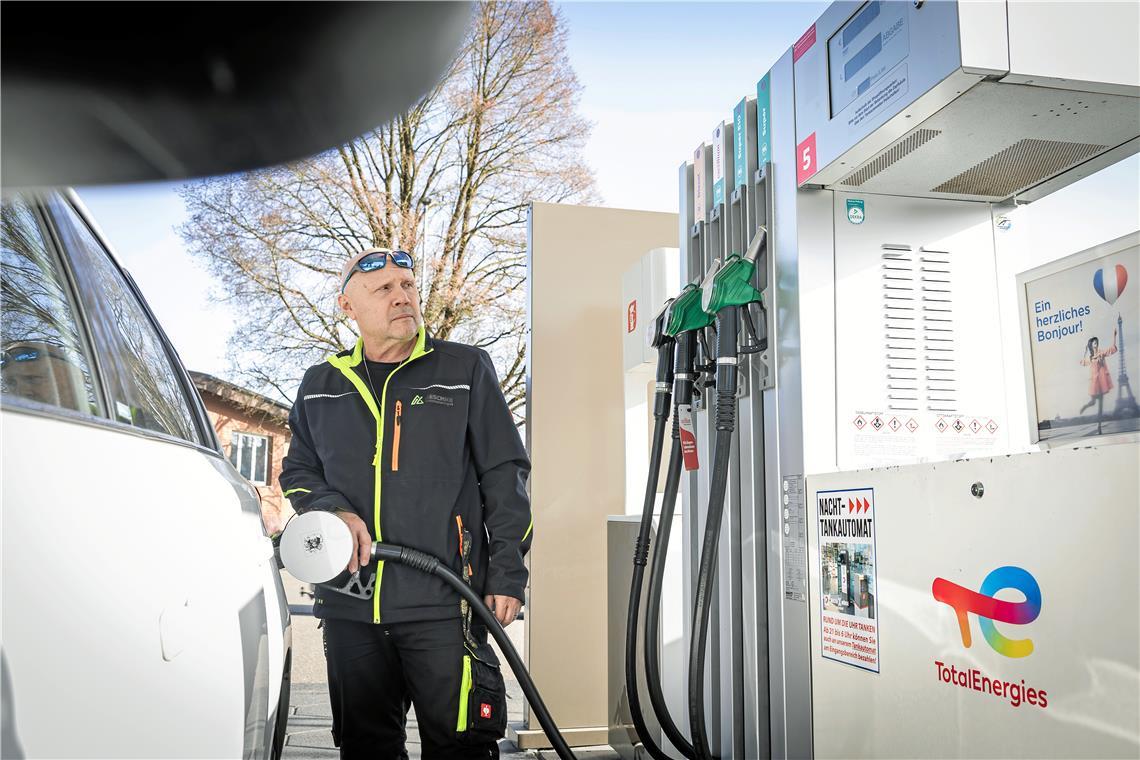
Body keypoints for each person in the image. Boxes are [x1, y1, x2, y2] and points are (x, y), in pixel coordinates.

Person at [280, 247, 532, 759]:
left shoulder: (464, 368)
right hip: (350, 604)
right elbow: (298, 472)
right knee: (366, 747)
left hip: (445, 603)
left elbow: (506, 475)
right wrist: (335, 509)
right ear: (347, 307)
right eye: (384, 289)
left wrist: (507, 574)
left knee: (460, 747)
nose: (403, 297)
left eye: (408, 286)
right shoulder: (320, 385)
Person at [1079, 328, 1118, 434]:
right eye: (1093, 342)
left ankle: (1099, 426)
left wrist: (1114, 336)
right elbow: (1083, 363)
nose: (1095, 343)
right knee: (1092, 402)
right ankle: (1086, 406)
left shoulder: (1101, 352)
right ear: (1091, 345)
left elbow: (1112, 350)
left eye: (1096, 342)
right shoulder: (1091, 357)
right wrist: (1085, 351)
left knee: (1100, 405)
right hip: (1094, 382)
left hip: (1101, 382)